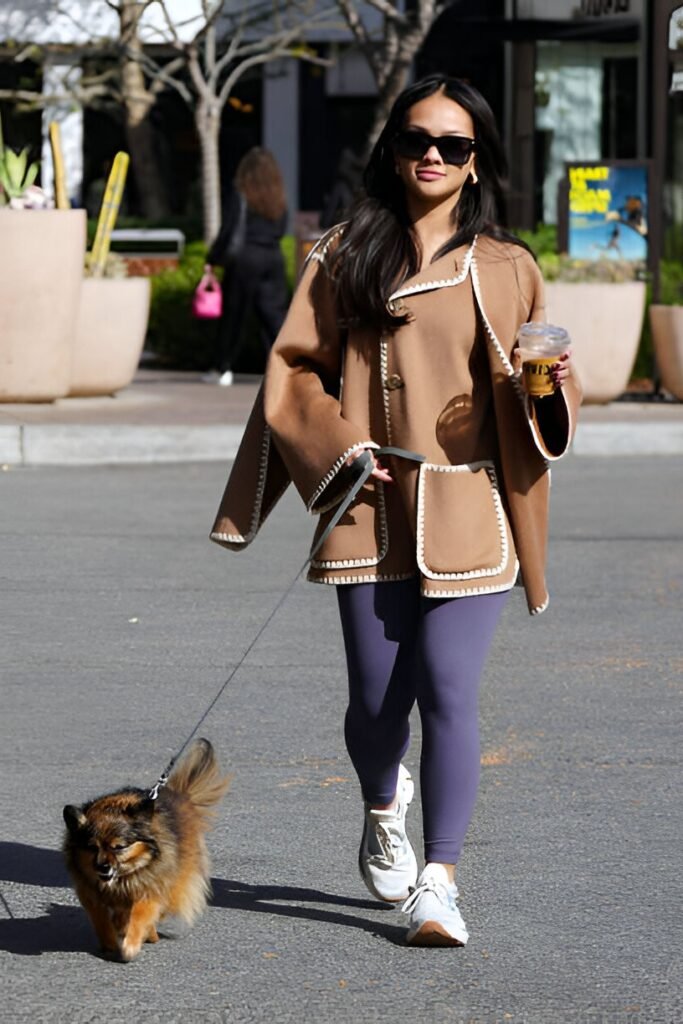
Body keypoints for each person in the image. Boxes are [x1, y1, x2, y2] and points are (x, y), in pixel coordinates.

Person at [210, 75, 582, 947]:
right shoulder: (342, 253)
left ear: (477, 158)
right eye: (418, 140)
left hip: (470, 502)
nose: (433, 157)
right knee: (378, 706)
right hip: (368, 498)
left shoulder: (508, 267)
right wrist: (339, 450)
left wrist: (554, 390)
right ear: (392, 147)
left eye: (454, 146)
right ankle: (384, 803)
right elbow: (293, 368)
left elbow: (539, 396)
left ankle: (439, 881)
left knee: (449, 689)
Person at [204, 147, 290, 386]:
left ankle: (222, 368)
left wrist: (212, 259)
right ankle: (285, 368)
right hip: (273, 256)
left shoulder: (241, 194)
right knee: (273, 317)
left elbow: (230, 231)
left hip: (246, 258)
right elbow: (283, 227)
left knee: (234, 317)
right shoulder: (278, 196)